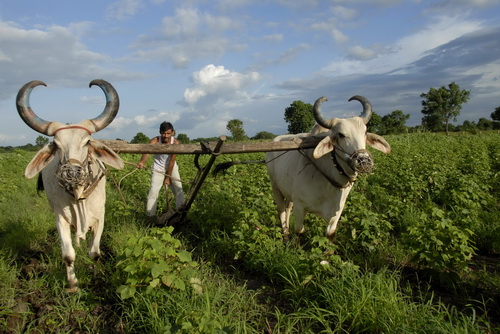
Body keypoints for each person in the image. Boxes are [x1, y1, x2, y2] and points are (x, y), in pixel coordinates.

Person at [137, 121, 185, 217]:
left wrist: (168, 178)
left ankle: (181, 214)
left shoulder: (175, 143)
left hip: (172, 169)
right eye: (163, 133)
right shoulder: (155, 141)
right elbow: (147, 152)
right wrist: (142, 162)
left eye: (168, 133)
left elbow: (171, 161)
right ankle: (150, 216)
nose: (166, 136)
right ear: (160, 132)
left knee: (179, 190)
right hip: (158, 169)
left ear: (172, 133)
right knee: (153, 191)